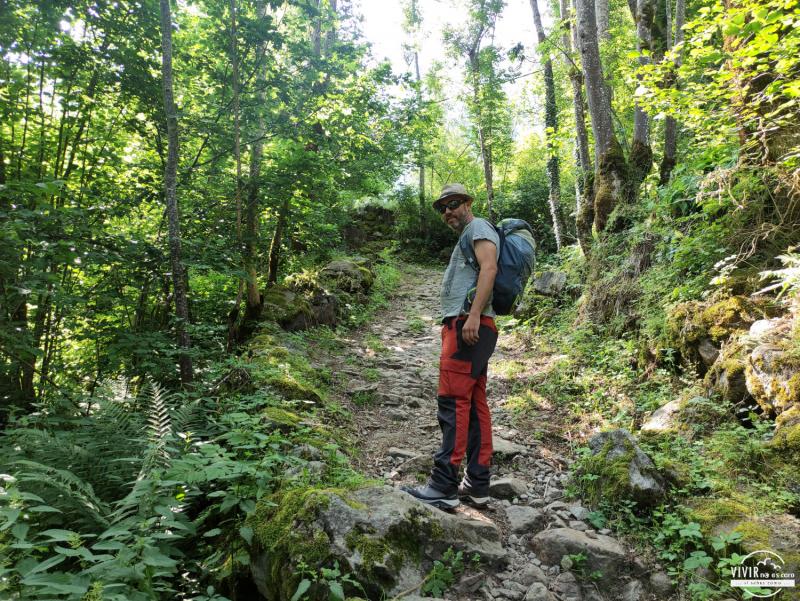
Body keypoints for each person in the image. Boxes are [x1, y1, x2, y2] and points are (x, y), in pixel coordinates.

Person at [402, 183, 499, 510]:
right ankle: (477, 483)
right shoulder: (470, 233)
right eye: (441, 207)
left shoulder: (478, 227)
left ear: (468, 203)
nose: (447, 211)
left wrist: (472, 316)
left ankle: (443, 485)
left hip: (468, 327)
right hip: (474, 327)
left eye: (453, 203)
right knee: (473, 405)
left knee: (453, 402)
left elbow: (490, 267)